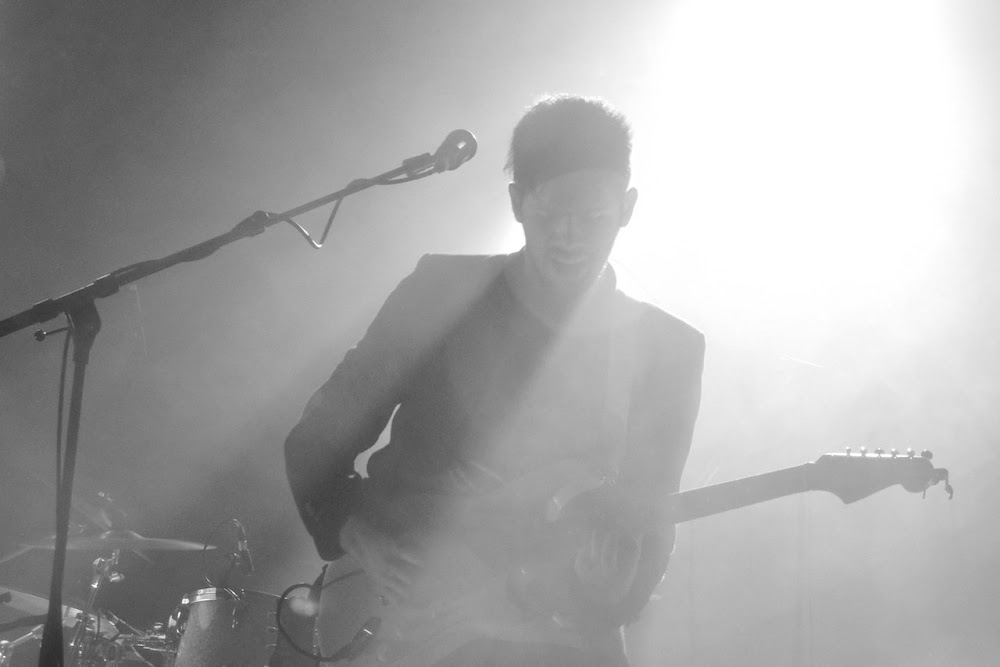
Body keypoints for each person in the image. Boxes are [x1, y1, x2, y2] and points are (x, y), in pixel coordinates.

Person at [284, 95, 705, 667]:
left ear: (627, 207)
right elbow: (317, 440)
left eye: (593, 217)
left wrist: (606, 586)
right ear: (516, 203)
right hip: (398, 613)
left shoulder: (668, 348)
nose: (570, 236)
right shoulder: (441, 294)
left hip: (551, 629)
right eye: (550, 214)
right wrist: (364, 540)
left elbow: (651, 525)